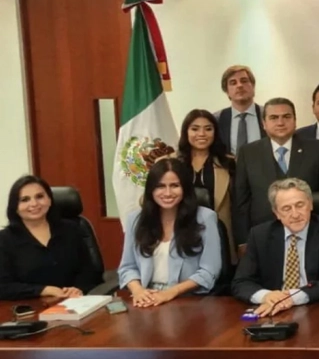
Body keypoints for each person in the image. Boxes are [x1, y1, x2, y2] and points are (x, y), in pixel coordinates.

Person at [232, 178, 319, 317]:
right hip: (272, 310)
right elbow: (241, 282)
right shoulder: (260, 235)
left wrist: (293, 297)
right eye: (286, 208)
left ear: (310, 204)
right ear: (276, 213)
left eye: (300, 205)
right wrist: (267, 296)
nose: (295, 214)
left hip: (317, 308)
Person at [118, 158, 222, 306]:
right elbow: (127, 267)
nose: (167, 193)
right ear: (151, 189)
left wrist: (170, 293)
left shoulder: (205, 218)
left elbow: (209, 271)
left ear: (185, 188)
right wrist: (138, 291)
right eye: (160, 186)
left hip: (188, 299)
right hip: (147, 298)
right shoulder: (135, 219)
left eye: (174, 186)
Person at [233, 98, 319, 249]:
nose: (280, 122)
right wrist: (243, 242)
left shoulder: (316, 149)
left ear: (295, 121)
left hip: (311, 237)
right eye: (274, 118)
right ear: (264, 123)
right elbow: (241, 202)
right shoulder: (248, 152)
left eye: (286, 117)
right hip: (263, 239)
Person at [0, 176, 101, 300]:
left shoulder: (71, 229)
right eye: (25, 200)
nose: (34, 204)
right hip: (30, 308)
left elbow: (89, 271)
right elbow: (3, 286)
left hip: (76, 303)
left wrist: (78, 288)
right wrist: (44, 290)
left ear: (49, 199)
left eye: (40, 196)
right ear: (15, 206)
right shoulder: (5, 240)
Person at [176, 109, 237, 262]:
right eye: (195, 129)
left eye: (208, 129)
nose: (202, 134)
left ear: (215, 133)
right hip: (179, 233)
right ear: (186, 132)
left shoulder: (230, 163)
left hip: (218, 235)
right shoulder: (170, 163)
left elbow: (239, 204)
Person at [216, 65, 263, 155]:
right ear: (227, 91)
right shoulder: (217, 119)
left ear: (253, 86)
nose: (240, 85)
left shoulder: (267, 114)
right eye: (233, 83)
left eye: (244, 81)